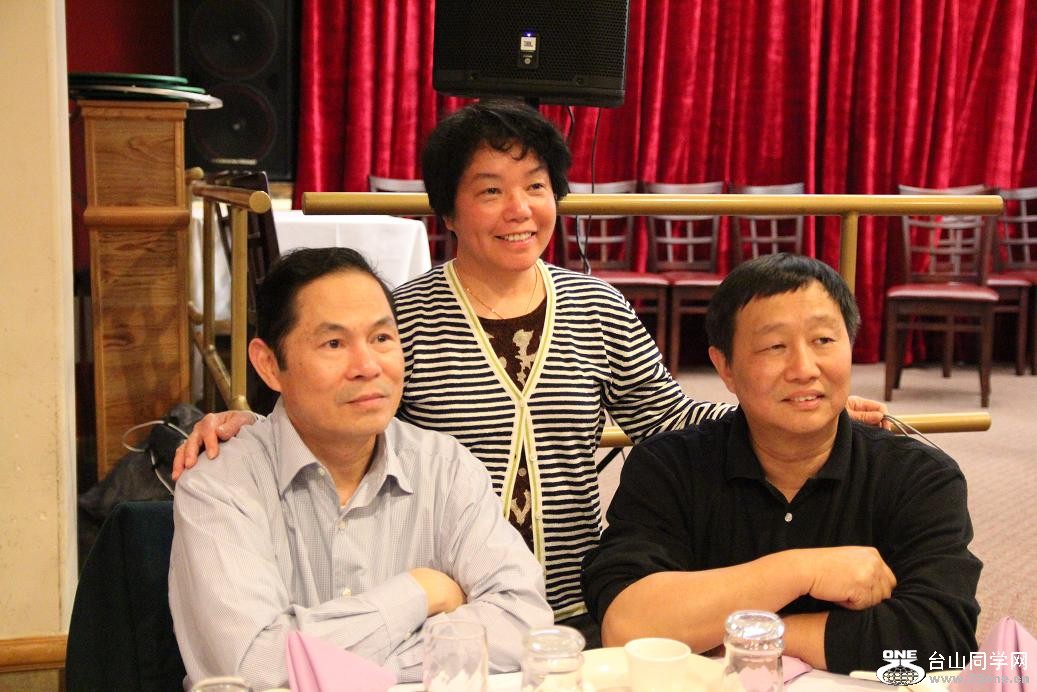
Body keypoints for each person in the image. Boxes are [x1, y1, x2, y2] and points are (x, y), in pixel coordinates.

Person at [173, 101, 887, 640]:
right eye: (489, 190)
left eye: (536, 186)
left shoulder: (597, 306)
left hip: (581, 603)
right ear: (448, 208)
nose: (519, 210)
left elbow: (669, 418)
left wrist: (791, 406)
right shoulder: (402, 319)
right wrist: (251, 423)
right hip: (450, 615)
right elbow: (348, 421)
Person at [168, 247, 551, 689]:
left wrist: (346, 668)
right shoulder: (220, 483)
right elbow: (257, 667)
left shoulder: (444, 467)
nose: (368, 367)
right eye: (333, 344)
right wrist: (420, 592)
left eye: (382, 338)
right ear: (270, 365)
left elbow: (523, 617)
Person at [581, 253, 981, 674]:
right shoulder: (669, 467)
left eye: (823, 340)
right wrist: (801, 570)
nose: (804, 369)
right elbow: (627, 627)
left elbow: (943, 637)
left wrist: (752, 638)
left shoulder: (918, 476)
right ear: (725, 367)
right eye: (775, 346)